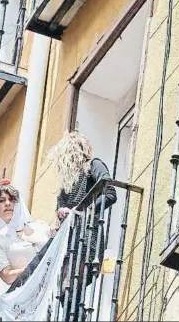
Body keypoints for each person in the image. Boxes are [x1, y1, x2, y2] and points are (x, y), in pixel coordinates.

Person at [48, 131, 117, 320]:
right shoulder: (65, 186)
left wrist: (83, 210)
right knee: (64, 291)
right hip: (69, 243)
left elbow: (110, 193)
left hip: (87, 237)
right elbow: (61, 217)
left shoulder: (93, 165)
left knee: (69, 288)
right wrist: (57, 224)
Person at [0, 180, 50, 300]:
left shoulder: (40, 226)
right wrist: (36, 267)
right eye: (1, 200)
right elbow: (8, 276)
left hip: (54, 285)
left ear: (18, 202)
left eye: (12, 199)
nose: (7, 203)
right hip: (30, 295)